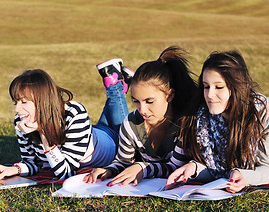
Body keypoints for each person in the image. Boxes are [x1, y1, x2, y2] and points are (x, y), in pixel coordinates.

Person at [0, 58, 134, 181]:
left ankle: (116, 85)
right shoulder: (21, 122)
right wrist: (14, 169)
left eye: (24, 102)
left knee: (117, 109)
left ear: (42, 100)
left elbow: (65, 173)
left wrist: (43, 133)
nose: (17, 110)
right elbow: (34, 163)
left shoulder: (74, 113)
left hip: (112, 140)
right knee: (110, 113)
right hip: (87, 135)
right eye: (15, 102)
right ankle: (122, 82)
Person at [165, 50, 269, 193]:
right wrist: (193, 168)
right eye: (206, 86)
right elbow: (217, 170)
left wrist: (245, 176)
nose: (210, 95)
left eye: (219, 87)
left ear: (237, 87)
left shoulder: (265, 111)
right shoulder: (202, 116)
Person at [84, 46, 199, 186]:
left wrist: (143, 168)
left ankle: (115, 84)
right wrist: (108, 170)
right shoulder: (131, 123)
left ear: (169, 95)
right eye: (136, 101)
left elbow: (175, 168)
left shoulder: (184, 125)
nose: (142, 110)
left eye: (149, 101)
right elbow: (122, 162)